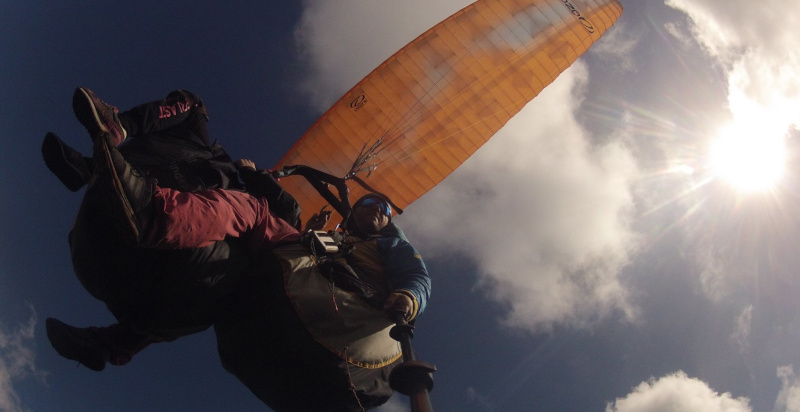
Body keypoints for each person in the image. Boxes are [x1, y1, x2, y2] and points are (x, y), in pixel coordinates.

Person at [47, 88, 431, 411]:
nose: (374, 213)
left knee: (251, 208)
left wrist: (408, 298)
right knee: (219, 282)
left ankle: (153, 214)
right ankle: (113, 343)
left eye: (381, 209)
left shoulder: (391, 244)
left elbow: (417, 276)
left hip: (347, 320)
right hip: (299, 316)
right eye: (367, 207)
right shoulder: (342, 242)